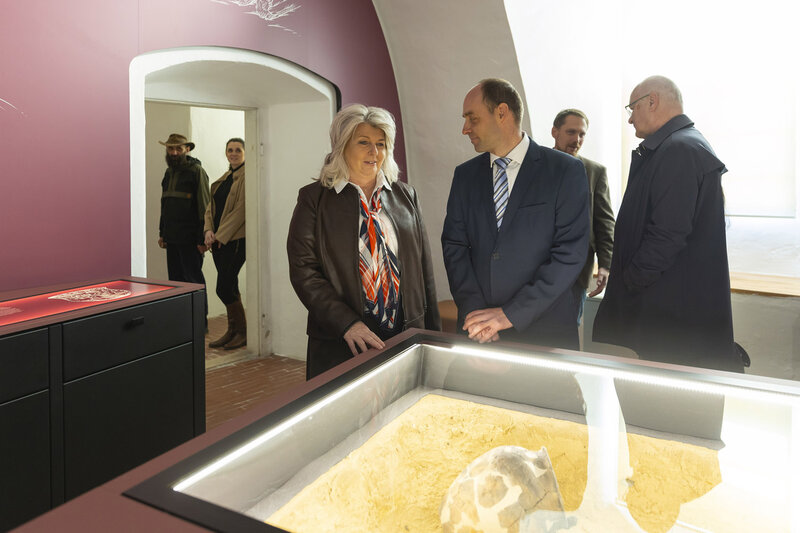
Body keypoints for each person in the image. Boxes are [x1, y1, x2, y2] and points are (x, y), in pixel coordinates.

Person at [593, 76, 743, 372]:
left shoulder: (680, 149)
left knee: (658, 400)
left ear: (652, 101)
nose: (630, 119)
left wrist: (630, 281)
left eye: (632, 109)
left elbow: (667, 234)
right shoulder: (678, 146)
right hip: (666, 315)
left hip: (667, 322)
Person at [287, 104, 441, 380]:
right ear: (342, 145)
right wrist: (347, 324)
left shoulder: (406, 196)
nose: (374, 152)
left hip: (404, 331)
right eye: (364, 142)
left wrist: (432, 335)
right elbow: (304, 271)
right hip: (344, 338)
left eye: (381, 144)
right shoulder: (314, 200)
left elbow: (423, 269)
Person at [442, 79, 590, 351]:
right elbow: (454, 247)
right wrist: (476, 313)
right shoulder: (465, 176)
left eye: (473, 118)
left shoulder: (565, 171)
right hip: (479, 334)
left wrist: (510, 314)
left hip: (544, 333)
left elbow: (570, 253)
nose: (465, 129)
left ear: (501, 112)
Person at [551, 109, 615, 323]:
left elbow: (604, 222)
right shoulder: (534, 167)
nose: (577, 140)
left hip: (575, 275)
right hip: (534, 273)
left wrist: (605, 264)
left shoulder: (595, 172)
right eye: (571, 132)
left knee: (567, 334)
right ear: (555, 132)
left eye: (582, 134)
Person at [158, 133, 210, 323]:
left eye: (178, 149)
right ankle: (182, 324)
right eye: (170, 148)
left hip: (191, 240)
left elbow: (204, 207)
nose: (174, 152)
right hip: (172, 238)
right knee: (176, 282)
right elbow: (165, 205)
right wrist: (162, 233)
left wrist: (202, 239)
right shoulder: (168, 173)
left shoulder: (197, 171)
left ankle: (200, 323)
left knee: (193, 281)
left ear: (187, 149)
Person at [204, 138, 247, 350]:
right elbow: (210, 208)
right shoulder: (225, 178)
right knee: (230, 286)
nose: (233, 153)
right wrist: (208, 231)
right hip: (218, 240)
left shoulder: (247, 177)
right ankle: (232, 331)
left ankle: (243, 332)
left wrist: (221, 236)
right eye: (230, 150)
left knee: (223, 287)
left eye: (238, 150)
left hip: (235, 239)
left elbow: (241, 210)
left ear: (245, 153)